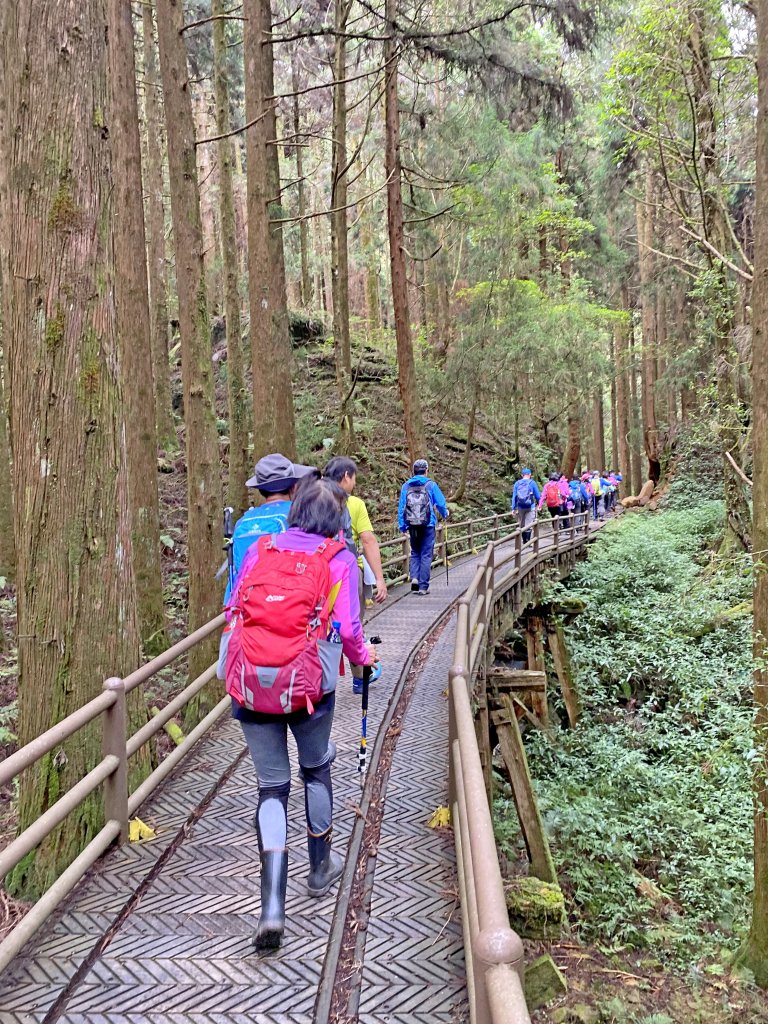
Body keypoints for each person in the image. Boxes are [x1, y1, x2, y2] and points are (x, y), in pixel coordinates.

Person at [225, 480, 378, 952]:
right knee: (316, 768)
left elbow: (234, 606)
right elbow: (350, 629)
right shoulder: (338, 559)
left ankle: (272, 905)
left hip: (252, 683)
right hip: (309, 685)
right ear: (335, 520)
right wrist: (362, 659)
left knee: (271, 787)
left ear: (295, 513)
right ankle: (319, 867)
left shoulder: (261, 549)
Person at [224, 453, 317, 603]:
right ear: (293, 487)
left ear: (261, 490)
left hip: (246, 601)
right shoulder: (299, 514)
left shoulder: (243, 521)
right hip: (287, 601)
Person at [323, 456, 388, 606]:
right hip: (348, 567)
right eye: (354, 478)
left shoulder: (313, 499)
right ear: (346, 476)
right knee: (351, 617)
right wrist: (379, 578)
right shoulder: (354, 503)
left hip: (319, 569)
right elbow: (367, 539)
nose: (355, 483)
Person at [398, 458, 449, 595]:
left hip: (412, 525)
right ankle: (423, 586)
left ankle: (414, 578)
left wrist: (402, 527)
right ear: (426, 471)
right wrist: (445, 514)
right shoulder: (430, 485)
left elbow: (402, 507)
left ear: (413, 471)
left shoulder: (406, 486)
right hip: (428, 524)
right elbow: (441, 503)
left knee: (415, 552)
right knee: (426, 554)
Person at [511, 467, 540, 543]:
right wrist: (539, 505)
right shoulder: (532, 483)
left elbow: (514, 496)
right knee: (529, 524)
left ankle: (524, 541)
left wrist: (513, 508)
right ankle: (527, 541)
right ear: (530, 474)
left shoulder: (517, 483)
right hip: (530, 506)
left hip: (520, 506)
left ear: (522, 475)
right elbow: (537, 496)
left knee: (522, 524)